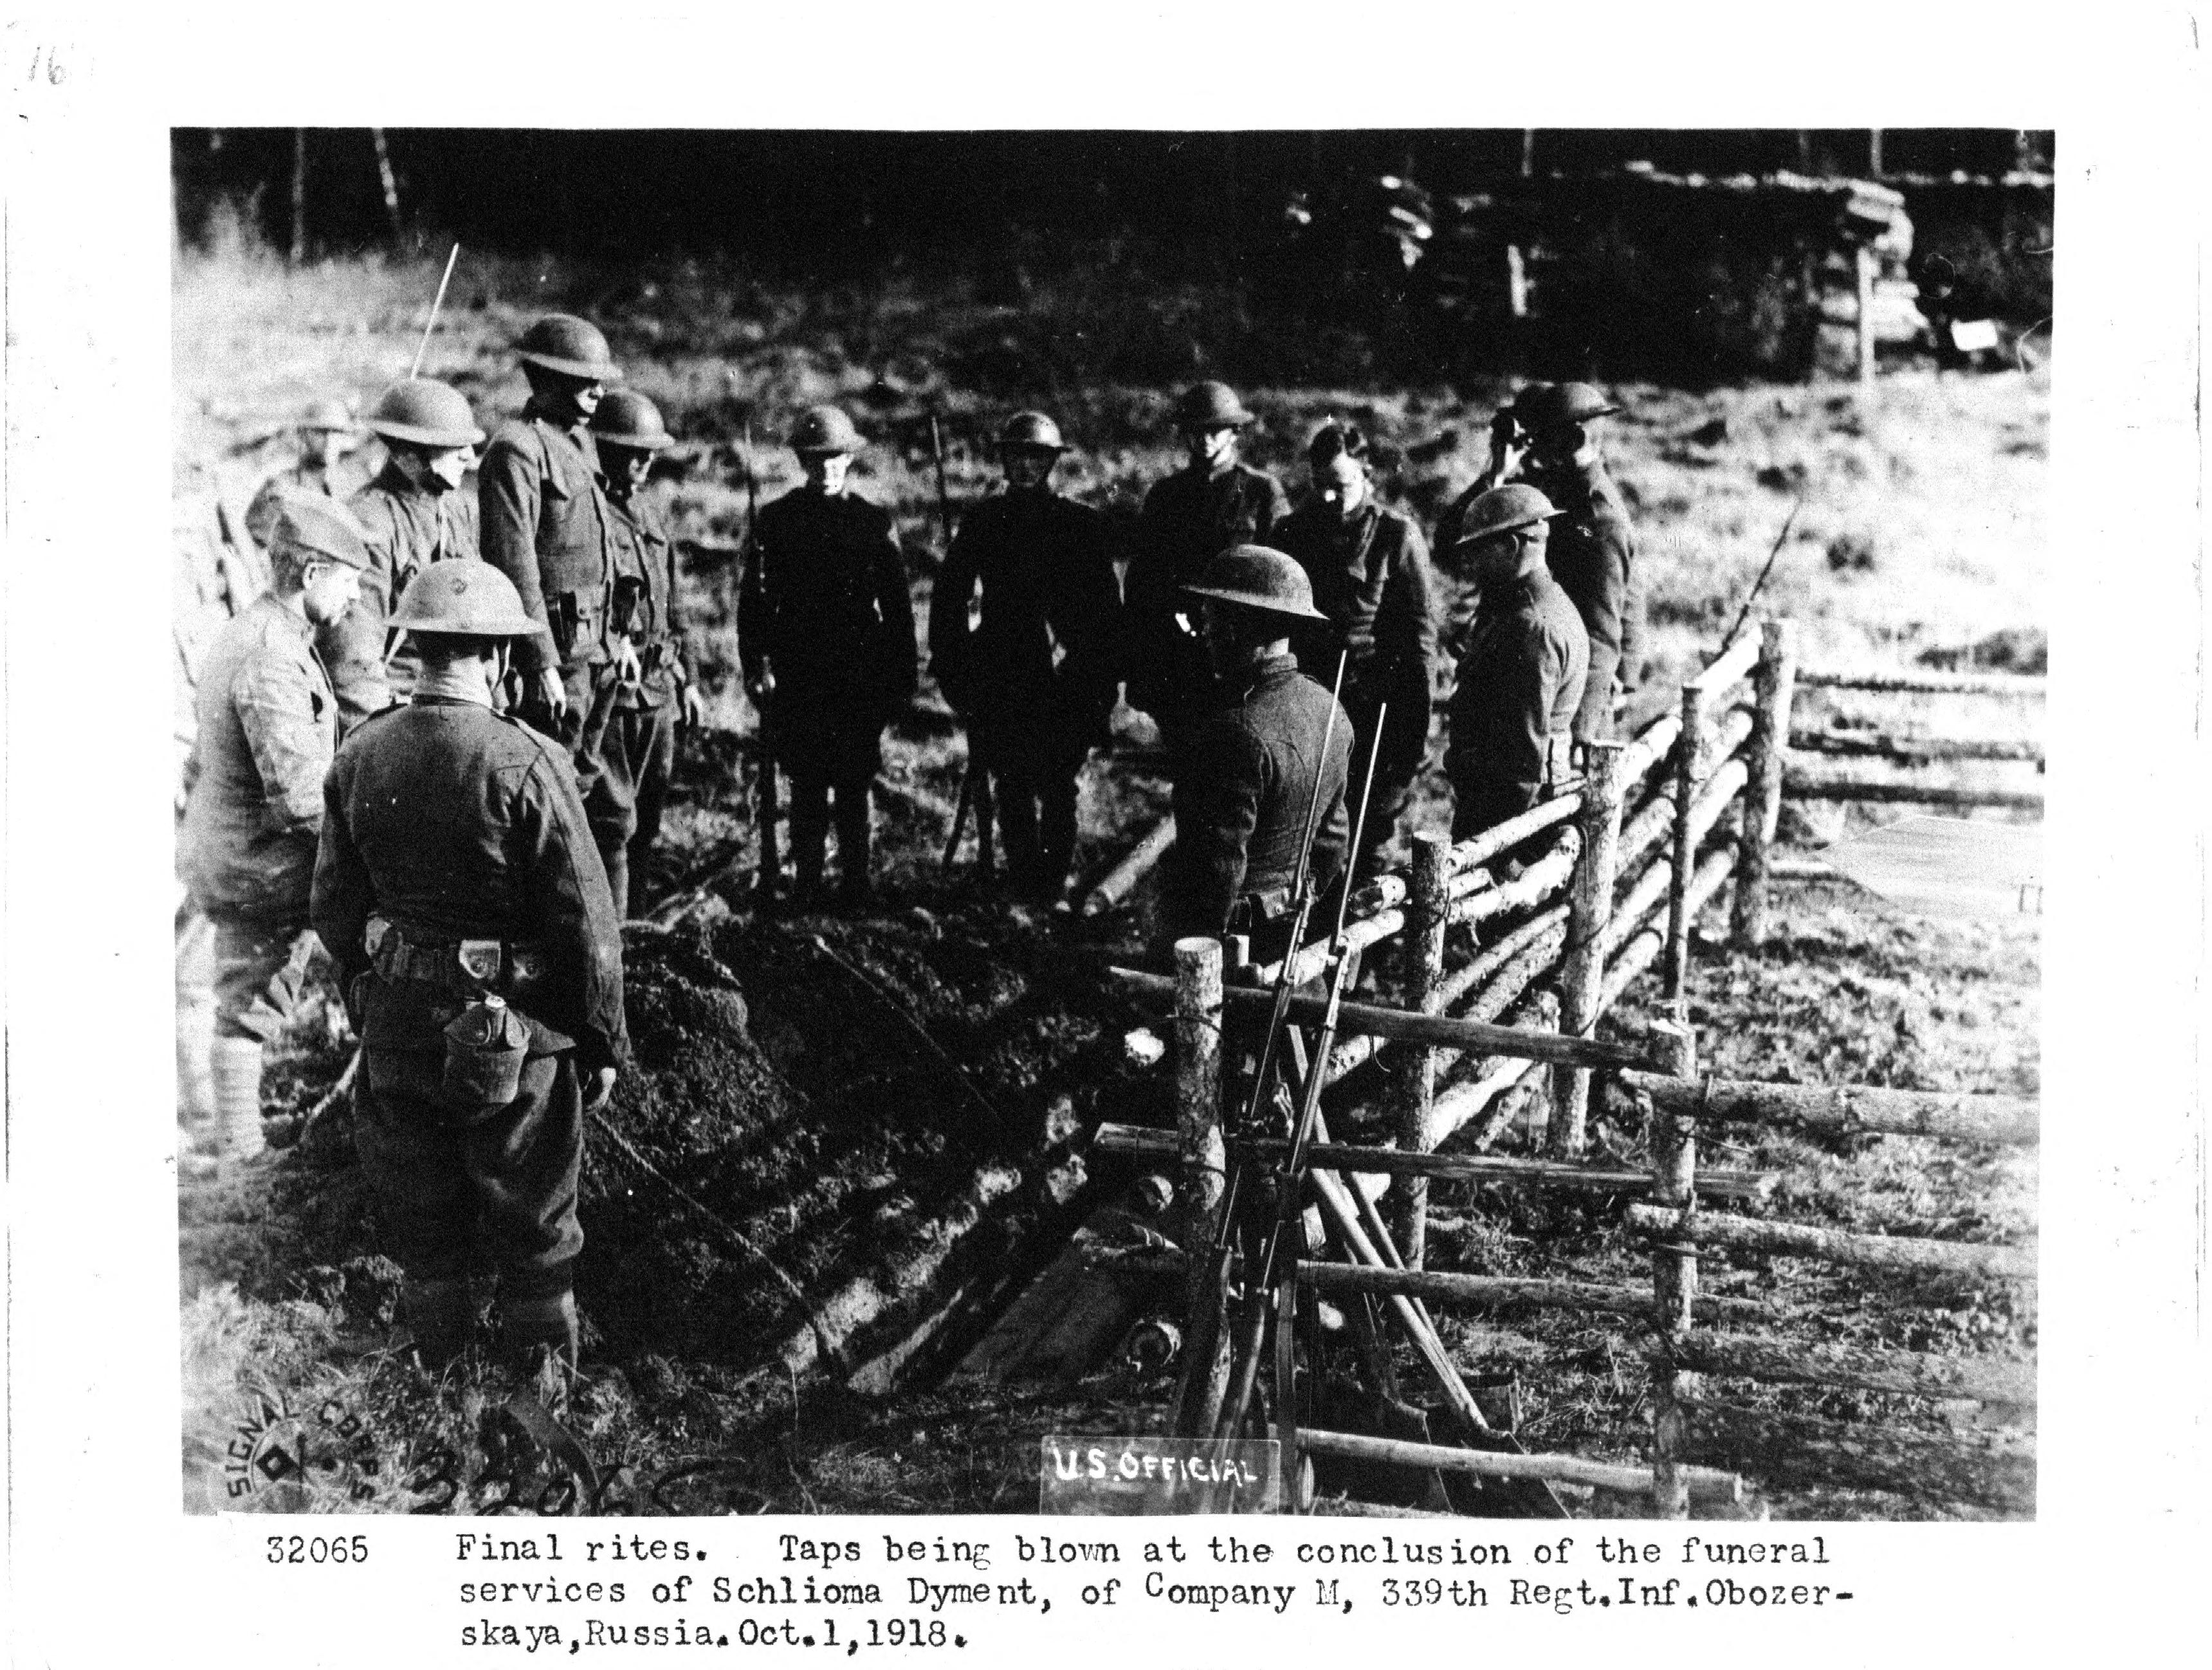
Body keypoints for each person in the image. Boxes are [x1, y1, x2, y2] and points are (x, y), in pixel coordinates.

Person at [311, 561, 627, 1373]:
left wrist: (368, 995)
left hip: (398, 1033)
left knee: (427, 1236)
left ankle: (437, 1395)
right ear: (497, 654)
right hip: (512, 1040)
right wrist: (601, 1040)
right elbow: (587, 923)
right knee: (536, 1235)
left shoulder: (359, 752)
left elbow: (334, 909)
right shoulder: (528, 759)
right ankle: (540, 1404)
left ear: (415, 647)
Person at [178, 496, 369, 1169]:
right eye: (348, 580)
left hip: (239, 851)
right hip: (261, 864)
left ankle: (241, 1140)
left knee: (247, 995)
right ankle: (242, 1155)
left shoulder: (260, 632)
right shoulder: (271, 656)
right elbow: (300, 800)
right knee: (255, 1001)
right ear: (311, 573)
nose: (355, 595)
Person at [929, 411, 1121, 904]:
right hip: (1005, 675)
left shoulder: (1079, 524)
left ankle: (1051, 885)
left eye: (1036, 457)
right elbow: (949, 598)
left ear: (1052, 462)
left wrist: (1100, 679)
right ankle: (1022, 884)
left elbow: (1105, 611)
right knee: (1012, 784)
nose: (1025, 466)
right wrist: (955, 668)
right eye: (1016, 457)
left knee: (1058, 785)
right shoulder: (984, 521)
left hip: (1065, 679)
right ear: (1004, 461)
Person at [738, 405, 917, 905]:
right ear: (802, 461)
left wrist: (900, 680)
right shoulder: (777, 522)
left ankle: (857, 885)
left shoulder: (872, 523)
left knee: (855, 784)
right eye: (815, 459)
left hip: (859, 675)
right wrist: (755, 668)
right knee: (807, 785)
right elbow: (752, 608)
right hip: (799, 674)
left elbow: (898, 611)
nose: (826, 469)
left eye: (835, 458)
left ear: (849, 459)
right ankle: (808, 884)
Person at [1159, 545, 1352, 967]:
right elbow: (1333, 841)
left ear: (1234, 629)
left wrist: (1195, 956)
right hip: (1294, 934)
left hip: (1232, 951)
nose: (1204, 635)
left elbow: (1217, 872)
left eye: (1208, 621)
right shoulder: (1330, 708)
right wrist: (1293, 901)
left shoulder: (1235, 732)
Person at [1276, 421, 1439, 880]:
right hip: (1307, 706)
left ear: (1367, 476)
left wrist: (1413, 736)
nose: (1328, 498)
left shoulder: (1395, 536)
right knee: (1302, 831)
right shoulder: (1292, 532)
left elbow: (1420, 642)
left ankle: (1364, 916)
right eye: (1320, 486)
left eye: (1341, 486)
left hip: (1373, 710)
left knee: (1368, 834)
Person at [1437, 382, 1639, 742]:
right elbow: (1451, 544)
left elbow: (1601, 637)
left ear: (1574, 440)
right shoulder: (1555, 487)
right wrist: (1495, 476)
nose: (1532, 446)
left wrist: (1575, 739)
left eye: (1543, 437)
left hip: (1565, 697)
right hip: (1532, 672)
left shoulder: (1598, 520)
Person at [1122, 381, 1292, 759]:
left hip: (1240, 656)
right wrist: (1142, 667)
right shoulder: (1166, 496)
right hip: (1179, 659)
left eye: (1215, 430)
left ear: (1235, 432)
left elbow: (1282, 581)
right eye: (1196, 431)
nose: (1205, 440)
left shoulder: (1262, 493)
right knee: (1187, 769)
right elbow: (1142, 584)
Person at [477, 312, 621, 743]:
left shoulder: (578, 442)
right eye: (585, 381)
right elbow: (514, 564)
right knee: (550, 771)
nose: (599, 391)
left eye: (600, 381)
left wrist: (618, 637)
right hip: (557, 657)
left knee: (587, 772)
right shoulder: (516, 450)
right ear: (548, 380)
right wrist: (539, 663)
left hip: (594, 649)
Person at [592, 389, 704, 918]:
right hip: (616, 693)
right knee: (613, 820)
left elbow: (672, 603)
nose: (643, 464)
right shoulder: (591, 517)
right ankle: (612, 934)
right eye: (631, 453)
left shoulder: (651, 516)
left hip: (659, 693)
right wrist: (613, 642)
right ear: (606, 450)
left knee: (647, 819)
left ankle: (635, 924)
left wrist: (691, 680)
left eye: (649, 455)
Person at [1443, 486, 1589, 839]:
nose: (1471, 564)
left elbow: (1520, 767)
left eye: (1479, 550)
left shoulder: (1530, 628)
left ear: (1511, 546)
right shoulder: (1542, 607)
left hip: (1504, 819)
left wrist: (1493, 847)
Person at [344, 377, 485, 716]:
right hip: (398, 701)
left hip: (460, 690)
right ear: (407, 455)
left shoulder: (456, 508)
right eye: (453, 445)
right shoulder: (371, 519)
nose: (468, 456)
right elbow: (353, 661)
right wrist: (379, 731)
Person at [243, 395, 370, 552]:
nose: (330, 440)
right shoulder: (281, 486)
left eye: (336, 432)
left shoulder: (351, 489)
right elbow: (254, 546)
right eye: (321, 432)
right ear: (303, 433)